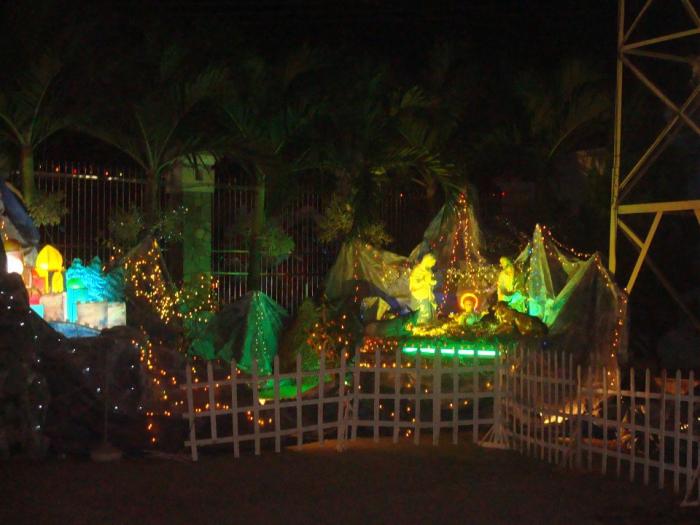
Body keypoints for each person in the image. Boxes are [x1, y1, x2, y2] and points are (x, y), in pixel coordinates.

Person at [409, 253, 437, 324]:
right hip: (420, 295)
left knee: (430, 311)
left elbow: (429, 280)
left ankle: (429, 324)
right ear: (427, 261)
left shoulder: (429, 270)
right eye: (432, 263)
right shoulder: (417, 270)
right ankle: (422, 325)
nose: (433, 265)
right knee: (424, 312)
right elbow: (414, 284)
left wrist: (432, 282)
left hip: (428, 294)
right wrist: (425, 281)